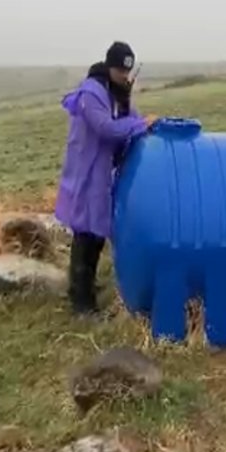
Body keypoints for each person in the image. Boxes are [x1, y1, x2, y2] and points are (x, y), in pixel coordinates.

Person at [55, 41, 155, 316]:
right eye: (121, 70)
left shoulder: (115, 93)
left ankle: (85, 285)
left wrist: (144, 123)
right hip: (86, 173)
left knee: (96, 234)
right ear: (110, 66)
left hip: (100, 175)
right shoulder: (92, 93)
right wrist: (138, 125)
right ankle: (81, 302)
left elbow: (130, 118)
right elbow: (106, 128)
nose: (125, 76)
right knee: (85, 235)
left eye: (128, 71)